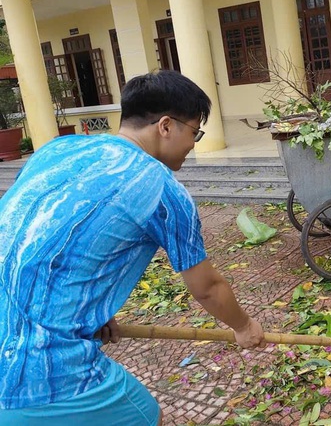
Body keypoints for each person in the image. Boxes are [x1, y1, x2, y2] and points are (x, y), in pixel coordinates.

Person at [0, 70, 265, 425]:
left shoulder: (58, 150)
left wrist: (89, 310)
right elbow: (208, 289)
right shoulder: (163, 191)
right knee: (147, 415)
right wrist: (244, 326)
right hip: (40, 374)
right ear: (166, 126)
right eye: (194, 131)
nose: (194, 143)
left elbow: (33, 238)